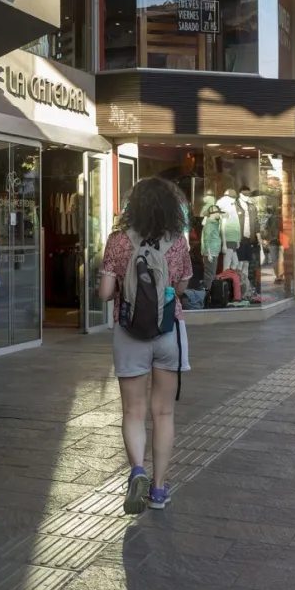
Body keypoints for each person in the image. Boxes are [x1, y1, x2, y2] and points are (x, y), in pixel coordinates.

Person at [98, 177, 192, 513]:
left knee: (133, 412)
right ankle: (158, 488)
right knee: (163, 412)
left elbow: (106, 293)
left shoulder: (118, 240)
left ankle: (137, 468)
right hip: (168, 332)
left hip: (129, 332)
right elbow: (181, 287)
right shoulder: (178, 241)